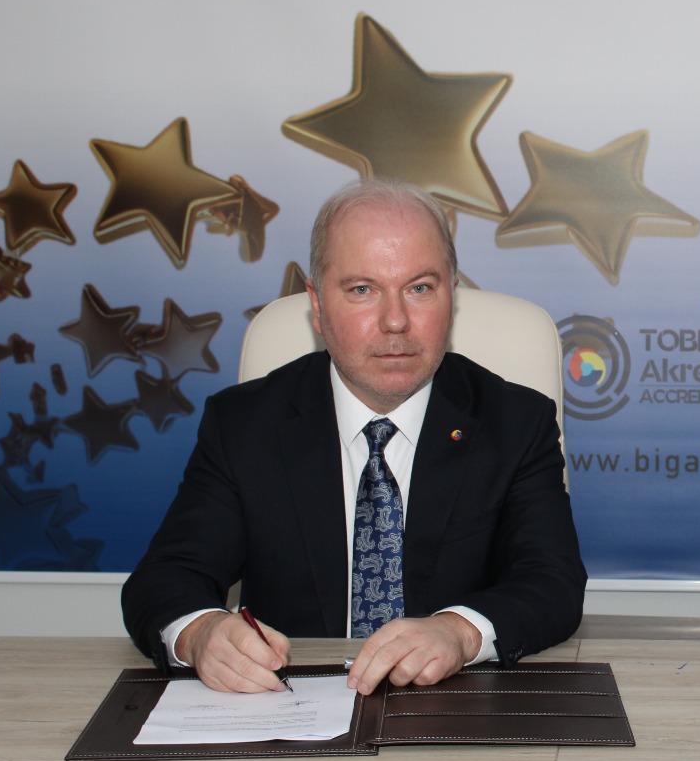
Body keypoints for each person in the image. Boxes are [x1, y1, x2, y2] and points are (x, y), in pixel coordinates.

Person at [123, 179, 586, 693]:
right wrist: (201, 633)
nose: (396, 321)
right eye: (362, 290)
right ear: (318, 306)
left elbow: (553, 582)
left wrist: (460, 632)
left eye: (420, 288)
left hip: (455, 710)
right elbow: (165, 577)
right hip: (287, 709)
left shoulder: (515, 422)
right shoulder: (244, 424)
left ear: (451, 297)